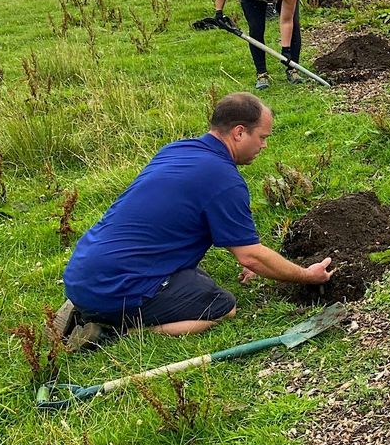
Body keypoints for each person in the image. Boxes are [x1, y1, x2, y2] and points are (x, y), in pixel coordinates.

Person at [56, 93, 333, 348]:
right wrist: (307, 276)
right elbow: (251, 257)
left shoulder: (175, 150)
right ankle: (113, 331)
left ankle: (86, 304)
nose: (264, 145)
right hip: (116, 287)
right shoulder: (224, 180)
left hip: (83, 270)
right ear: (239, 133)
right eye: (262, 137)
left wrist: (258, 261)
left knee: (195, 278)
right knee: (222, 306)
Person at [215, 0, 302, 90]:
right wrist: (218, 13)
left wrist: (286, 49)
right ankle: (262, 74)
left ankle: (293, 69)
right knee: (256, 27)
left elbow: (286, 21)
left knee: (294, 26)